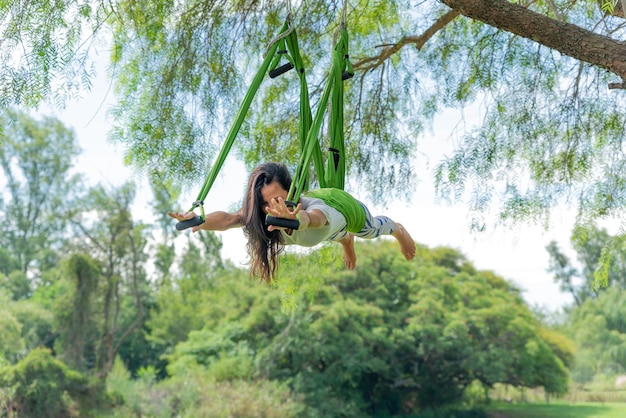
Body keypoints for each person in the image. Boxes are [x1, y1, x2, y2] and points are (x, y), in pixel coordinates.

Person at [168, 162, 416, 283]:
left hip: (344, 211)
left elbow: (313, 220)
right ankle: (345, 241)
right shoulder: (262, 215)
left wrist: (297, 219)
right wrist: (199, 220)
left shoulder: (311, 209)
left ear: (293, 193)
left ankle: (398, 229)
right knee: (336, 235)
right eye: (265, 203)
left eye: (278, 199)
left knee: (370, 230)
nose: (271, 208)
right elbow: (231, 218)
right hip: (330, 233)